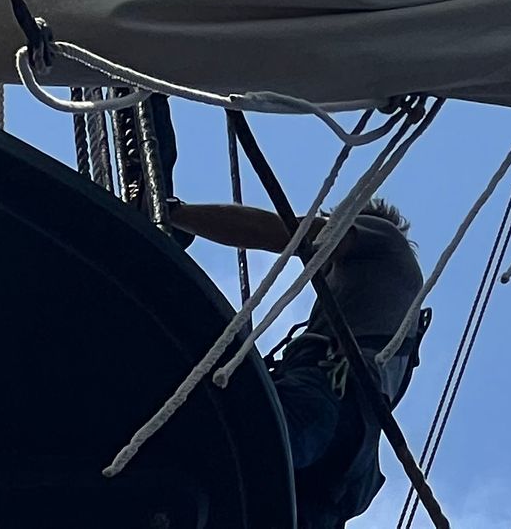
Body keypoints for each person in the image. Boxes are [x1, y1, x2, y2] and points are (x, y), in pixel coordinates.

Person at [170, 196, 428, 528]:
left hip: (322, 398)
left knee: (221, 448)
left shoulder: (381, 238)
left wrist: (180, 214)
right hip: (351, 462)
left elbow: (280, 231)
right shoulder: (386, 308)